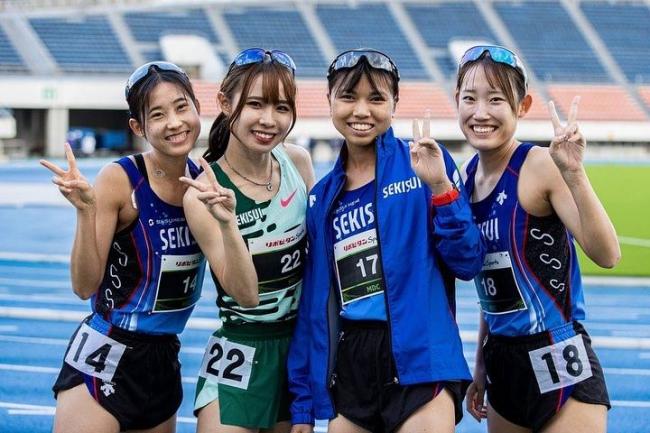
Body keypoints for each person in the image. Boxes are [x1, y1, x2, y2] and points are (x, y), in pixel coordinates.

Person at [287, 48, 485, 433]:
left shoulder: (425, 165)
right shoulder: (322, 198)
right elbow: (314, 308)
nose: (361, 111)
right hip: (352, 366)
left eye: (376, 98)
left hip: (422, 360)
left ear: (395, 103)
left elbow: (468, 262)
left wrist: (441, 188)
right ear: (329, 101)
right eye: (348, 97)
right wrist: (303, 404)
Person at [457, 45, 620, 433]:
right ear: (456, 101)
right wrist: (480, 364)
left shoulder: (539, 166)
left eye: (496, 99)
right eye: (470, 98)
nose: (481, 112)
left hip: (558, 351)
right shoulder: (465, 178)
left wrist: (574, 173)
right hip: (502, 362)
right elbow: (493, 283)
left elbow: (608, 254)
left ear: (522, 106)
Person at [40, 61, 206, 433]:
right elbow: (84, 286)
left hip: (163, 355)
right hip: (108, 346)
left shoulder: (205, 181)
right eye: (157, 115)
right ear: (138, 127)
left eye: (181, 107)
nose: (174, 122)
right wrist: (86, 212)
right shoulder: (120, 179)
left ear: (198, 107)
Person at [181, 48, 314, 433]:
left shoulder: (298, 163)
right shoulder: (203, 194)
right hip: (239, 347)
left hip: (297, 350)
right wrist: (228, 224)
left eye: (282, 108)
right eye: (255, 104)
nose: (269, 120)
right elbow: (246, 296)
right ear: (225, 103)